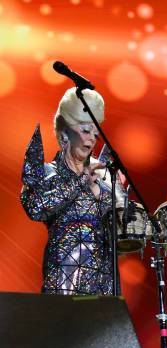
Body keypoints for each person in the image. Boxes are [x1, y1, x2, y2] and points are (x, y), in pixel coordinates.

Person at [21, 87, 122, 295]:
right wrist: (80, 181)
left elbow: (125, 231)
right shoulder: (49, 173)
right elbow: (35, 208)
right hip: (62, 288)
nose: (92, 138)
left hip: (104, 291)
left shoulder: (104, 176)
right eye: (85, 130)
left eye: (96, 132)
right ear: (65, 132)